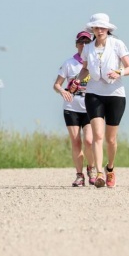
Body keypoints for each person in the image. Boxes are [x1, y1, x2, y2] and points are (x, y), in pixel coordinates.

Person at [77, 13, 129, 188]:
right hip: (94, 93)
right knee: (98, 135)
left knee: (111, 139)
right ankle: (99, 172)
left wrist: (119, 72)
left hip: (115, 93)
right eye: (97, 27)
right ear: (92, 29)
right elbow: (85, 69)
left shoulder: (117, 44)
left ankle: (110, 168)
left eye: (103, 27)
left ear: (108, 29)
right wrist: (78, 80)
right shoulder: (88, 48)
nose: (100, 30)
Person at [52, 31, 96, 187]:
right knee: (76, 142)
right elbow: (56, 84)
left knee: (89, 141)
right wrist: (63, 91)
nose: (83, 45)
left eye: (87, 42)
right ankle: (79, 175)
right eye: (81, 42)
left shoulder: (94, 62)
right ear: (76, 44)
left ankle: (91, 168)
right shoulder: (69, 63)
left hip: (90, 107)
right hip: (72, 107)